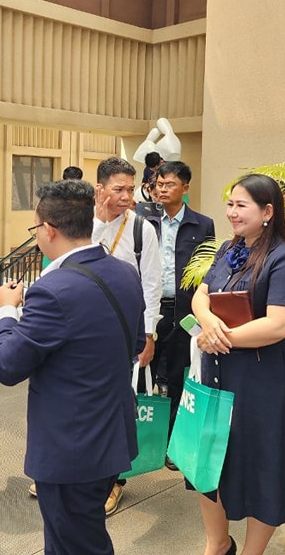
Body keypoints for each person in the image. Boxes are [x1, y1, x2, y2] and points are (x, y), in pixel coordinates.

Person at [0, 179, 145, 555]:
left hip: (72, 445)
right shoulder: (125, 272)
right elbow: (137, 344)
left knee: (73, 542)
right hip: (112, 433)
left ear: (48, 229)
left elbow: (7, 366)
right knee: (82, 535)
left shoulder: (52, 289)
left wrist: (6, 311)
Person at [191, 174, 285, 555]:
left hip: (260, 381)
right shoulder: (228, 249)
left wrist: (219, 337)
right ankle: (217, 543)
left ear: (268, 211)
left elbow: (279, 324)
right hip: (217, 373)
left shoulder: (284, 259)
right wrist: (208, 323)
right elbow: (201, 295)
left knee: (262, 466)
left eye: (241, 205)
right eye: (230, 204)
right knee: (207, 462)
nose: (232, 213)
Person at [92, 156, 161, 514]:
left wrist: (148, 335)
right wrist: (98, 221)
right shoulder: (83, 223)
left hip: (124, 333)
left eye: (131, 189)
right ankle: (77, 473)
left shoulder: (141, 229)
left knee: (120, 408)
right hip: (85, 331)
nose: (126, 196)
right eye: (118, 189)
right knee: (83, 404)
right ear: (99, 189)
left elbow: (152, 284)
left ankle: (114, 481)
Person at [146, 161, 215, 466]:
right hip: (149, 309)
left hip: (183, 312)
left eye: (169, 184)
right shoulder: (144, 221)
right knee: (142, 376)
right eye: (159, 184)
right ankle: (140, 444)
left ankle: (172, 445)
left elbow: (207, 270)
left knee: (176, 378)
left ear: (185, 188)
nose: (162, 189)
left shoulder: (203, 225)